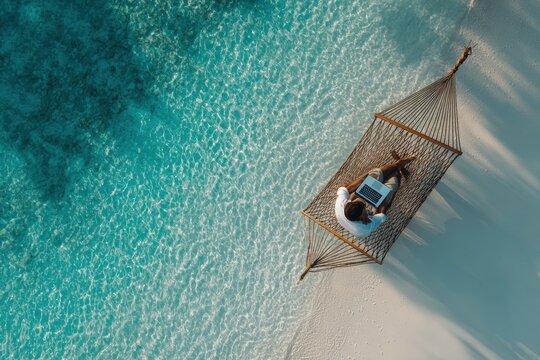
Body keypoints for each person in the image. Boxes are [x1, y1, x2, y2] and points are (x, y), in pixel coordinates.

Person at [335, 153, 416, 238]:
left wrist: (365, 180)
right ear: (362, 216)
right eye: (364, 209)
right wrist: (381, 197)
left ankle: (399, 163)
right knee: (395, 176)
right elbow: (382, 215)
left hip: (361, 195)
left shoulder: (340, 204)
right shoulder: (366, 226)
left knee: (375, 174)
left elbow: (345, 189)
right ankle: (399, 167)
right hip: (374, 211)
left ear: (348, 204)